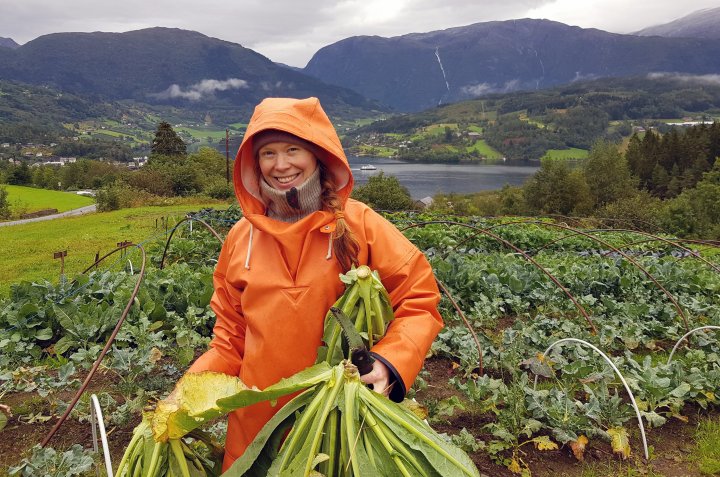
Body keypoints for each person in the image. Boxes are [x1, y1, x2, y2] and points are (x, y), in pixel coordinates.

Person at [186, 96, 443, 471]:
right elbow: (230, 339)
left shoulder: (360, 225)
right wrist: (186, 393)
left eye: (293, 149)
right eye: (268, 153)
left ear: (318, 154)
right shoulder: (241, 239)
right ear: (253, 163)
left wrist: (391, 362)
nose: (281, 164)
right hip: (257, 428)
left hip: (339, 422)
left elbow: (419, 298)